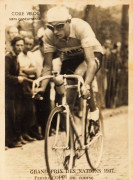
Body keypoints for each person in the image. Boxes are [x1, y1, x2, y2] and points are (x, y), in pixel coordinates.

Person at [35, 6, 103, 135]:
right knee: (66, 98)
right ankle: (71, 141)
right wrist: (41, 89)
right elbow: (47, 66)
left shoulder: (81, 27)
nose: (55, 31)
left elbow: (90, 62)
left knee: (80, 76)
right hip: (70, 58)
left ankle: (94, 114)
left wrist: (87, 84)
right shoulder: (48, 36)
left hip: (91, 54)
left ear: (68, 22)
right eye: (51, 27)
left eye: (60, 26)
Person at [5, 36, 25, 148]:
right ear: (13, 46)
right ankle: (10, 141)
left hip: (14, 92)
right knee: (9, 116)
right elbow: (4, 76)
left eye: (22, 45)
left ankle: (14, 139)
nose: (20, 48)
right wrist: (17, 79)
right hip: (8, 92)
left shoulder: (16, 57)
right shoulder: (8, 58)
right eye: (18, 45)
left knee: (15, 115)